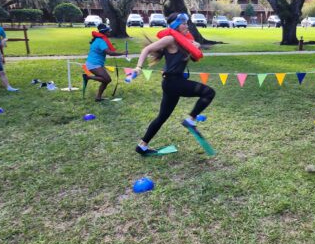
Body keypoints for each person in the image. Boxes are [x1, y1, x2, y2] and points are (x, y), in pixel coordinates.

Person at [133, 12, 216, 156]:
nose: (186, 25)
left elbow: (192, 57)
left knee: (162, 117)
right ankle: (190, 120)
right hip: (173, 82)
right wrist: (139, 67)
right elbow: (146, 49)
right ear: (176, 25)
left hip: (173, 83)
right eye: (183, 23)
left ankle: (142, 146)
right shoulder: (170, 38)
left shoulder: (183, 41)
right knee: (209, 92)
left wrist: (197, 46)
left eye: (186, 22)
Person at [83, 23, 126, 101]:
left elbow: (106, 50)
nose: (109, 32)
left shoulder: (98, 39)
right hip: (93, 64)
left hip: (95, 63)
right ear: (104, 32)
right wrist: (122, 53)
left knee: (105, 80)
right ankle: (87, 77)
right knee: (107, 79)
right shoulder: (101, 41)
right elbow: (109, 53)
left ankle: (98, 97)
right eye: (108, 31)